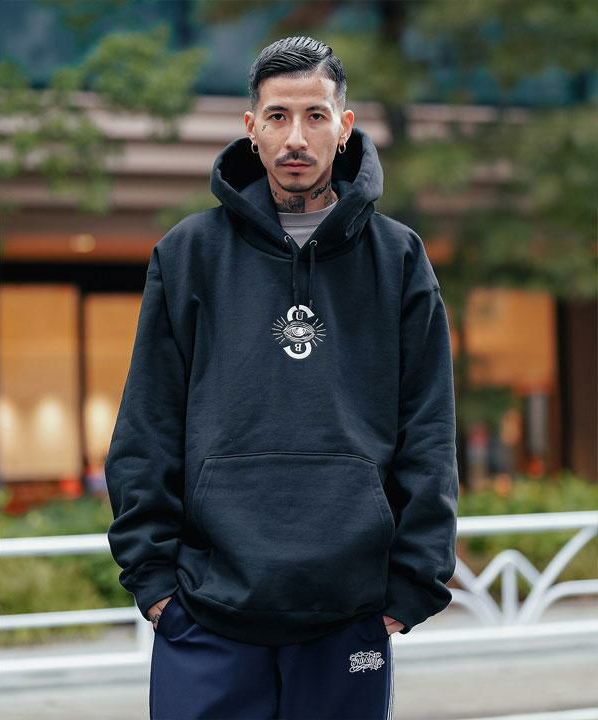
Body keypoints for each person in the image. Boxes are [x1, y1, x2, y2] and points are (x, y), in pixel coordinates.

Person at [105, 34, 459, 720]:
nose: (296, 137)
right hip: (205, 610)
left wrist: (413, 583)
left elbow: (429, 430)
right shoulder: (188, 254)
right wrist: (154, 582)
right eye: (278, 116)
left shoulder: (398, 259)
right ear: (252, 127)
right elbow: (146, 425)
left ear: (344, 126)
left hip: (349, 614)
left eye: (315, 115)